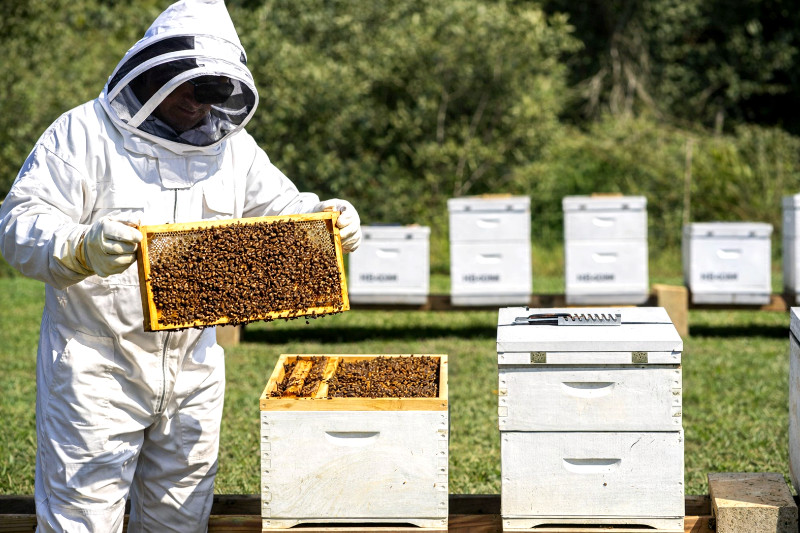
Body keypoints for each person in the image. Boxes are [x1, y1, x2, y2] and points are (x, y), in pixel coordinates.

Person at [0, 1, 361, 531]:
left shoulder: (233, 149)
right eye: (195, 88)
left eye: (217, 93)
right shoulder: (82, 134)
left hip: (194, 366)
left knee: (179, 520)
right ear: (159, 73)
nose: (203, 106)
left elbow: (282, 211)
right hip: (97, 366)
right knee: (81, 520)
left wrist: (326, 218)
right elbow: (16, 226)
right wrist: (80, 246)